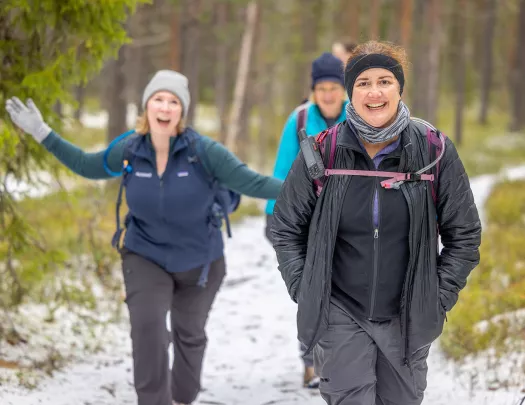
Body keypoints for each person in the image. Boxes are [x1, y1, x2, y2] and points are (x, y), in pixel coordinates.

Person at [5, 69, 282, 405]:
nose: (165, 107)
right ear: (146, 106)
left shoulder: (204, 152)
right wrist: (42, 132)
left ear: (182, 111)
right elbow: (85, 164)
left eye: (173, 101)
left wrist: (311, 188)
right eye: (158, 99)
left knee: (189, 335)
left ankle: (183, 393)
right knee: (147, 326)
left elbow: (252, 183)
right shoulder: (129, 149)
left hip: (201, 261)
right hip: (145, 253)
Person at [270, 40, 482, 404]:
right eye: (363, 82)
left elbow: (464, 235)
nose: (374, 92)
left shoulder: (434, 151)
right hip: (340, 314)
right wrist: (307, 290)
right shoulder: (321, 151)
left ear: (399, 88)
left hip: (408, 317)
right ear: (350, 92)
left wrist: (436, 297)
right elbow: (287, 227)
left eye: (384, 81)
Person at [264, 52, 348, 389]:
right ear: (313, 90)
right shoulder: (299, 121)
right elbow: (282, 173)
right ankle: (312, 362)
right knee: (313, 292)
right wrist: (274, 220)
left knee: (343, 294)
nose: (328, 94)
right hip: (305, 223)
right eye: (321, 87)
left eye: (334, 87)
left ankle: (340, 359)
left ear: (344, 89)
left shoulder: (358, 120)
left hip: (346, 225)